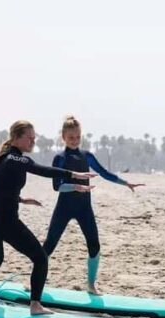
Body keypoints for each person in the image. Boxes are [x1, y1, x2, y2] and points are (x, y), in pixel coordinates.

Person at [0, 120, 96, 315]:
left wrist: (21, 199)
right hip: (4, 222)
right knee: (40, 258)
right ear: (16, 137)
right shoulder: (16, 158)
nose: (33, 141)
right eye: (29, 138)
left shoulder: (6, 157)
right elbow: (43, 170)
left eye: (34, 138)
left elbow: (1, 190)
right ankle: (35, 305)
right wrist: (73, 174)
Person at [43, 116, 145, 294]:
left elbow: (104, 173)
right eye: (71, 137)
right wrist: (76, 186)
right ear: (63, 137)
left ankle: (91, 285)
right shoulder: (59, 158)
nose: (75, 140)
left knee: (94, 246)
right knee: (49, 245)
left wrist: (126, 183)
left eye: (78, 137)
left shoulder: (87, 156)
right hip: (64, 208)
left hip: (84, 208)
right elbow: (57, 186)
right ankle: (35, 281)